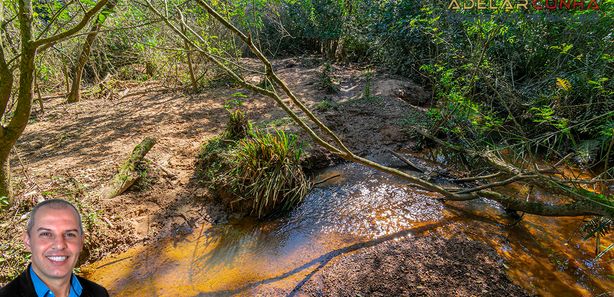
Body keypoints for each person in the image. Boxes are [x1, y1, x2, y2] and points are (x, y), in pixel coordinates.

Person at [0, 199, 109, 297]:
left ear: (81, 242)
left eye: (70, 234)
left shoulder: (99, 293)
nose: (59, 245)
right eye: (46, 234)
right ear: (28, 241)